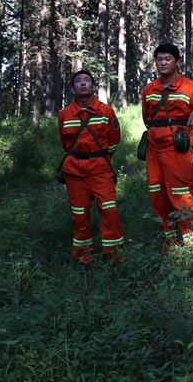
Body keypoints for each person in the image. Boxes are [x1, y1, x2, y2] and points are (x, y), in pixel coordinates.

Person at [140, 43, 193, 249]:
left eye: (167, 59)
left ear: (177, 62)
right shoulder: (149, 90)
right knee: (157, 195)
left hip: (178, 150)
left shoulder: (191, 88)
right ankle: (170, 242)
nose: (163, 63)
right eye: (159, 59)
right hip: (153, 151)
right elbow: (146, 118)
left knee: (183, 195)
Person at [57, 70, 123, 265]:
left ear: (93, 87)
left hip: (101, 171)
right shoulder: (64, 115)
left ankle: (114, 256)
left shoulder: (106, 111)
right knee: (79, 216)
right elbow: (65, 144)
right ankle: (84, 258)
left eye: (87, 80)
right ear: (73, 88)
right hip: (74, 173)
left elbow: (114, 140)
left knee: (109, 212)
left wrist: (100, 158)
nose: (83, 84)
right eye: (78, 81)